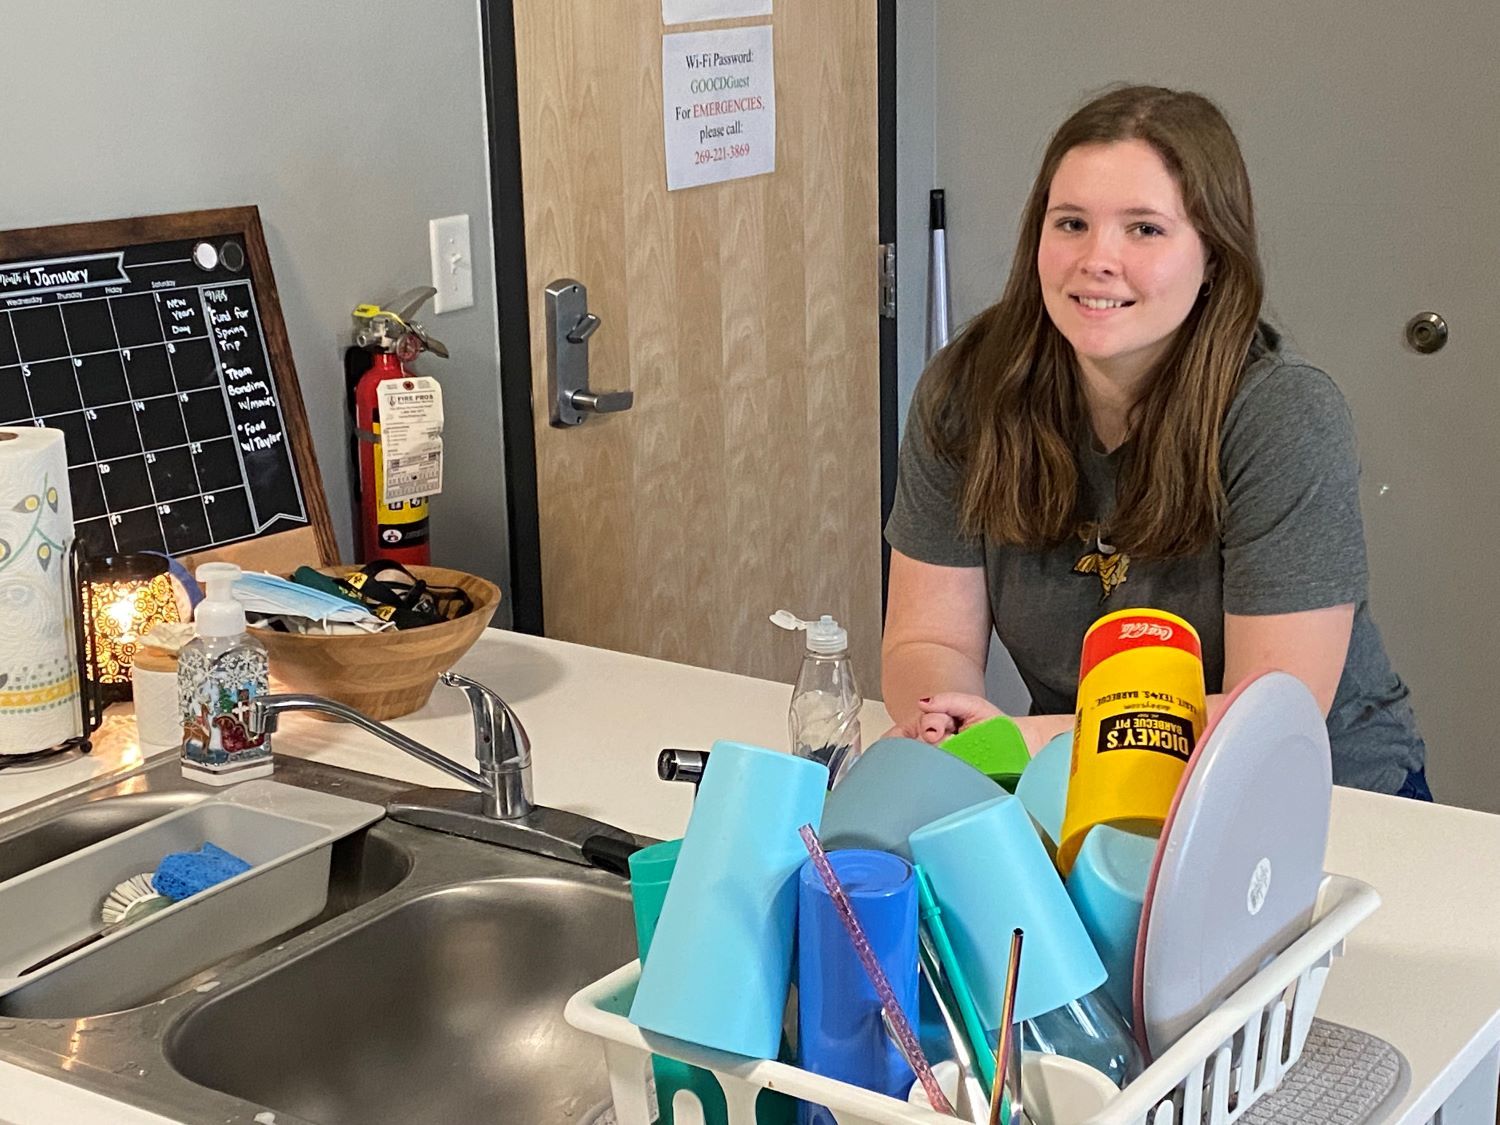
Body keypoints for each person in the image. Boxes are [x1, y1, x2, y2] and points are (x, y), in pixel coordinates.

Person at [882, 85, 1430, 799]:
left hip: (1315, 790)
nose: (1097, 260)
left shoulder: (1284, 413)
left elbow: (1266, 715)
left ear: (1214, 256)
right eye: (1071, 223)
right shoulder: (966, 390)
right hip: (1077, 781)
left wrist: (1025, 740)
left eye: (1145, 229)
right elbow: (929, 641)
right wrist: (951, 732)